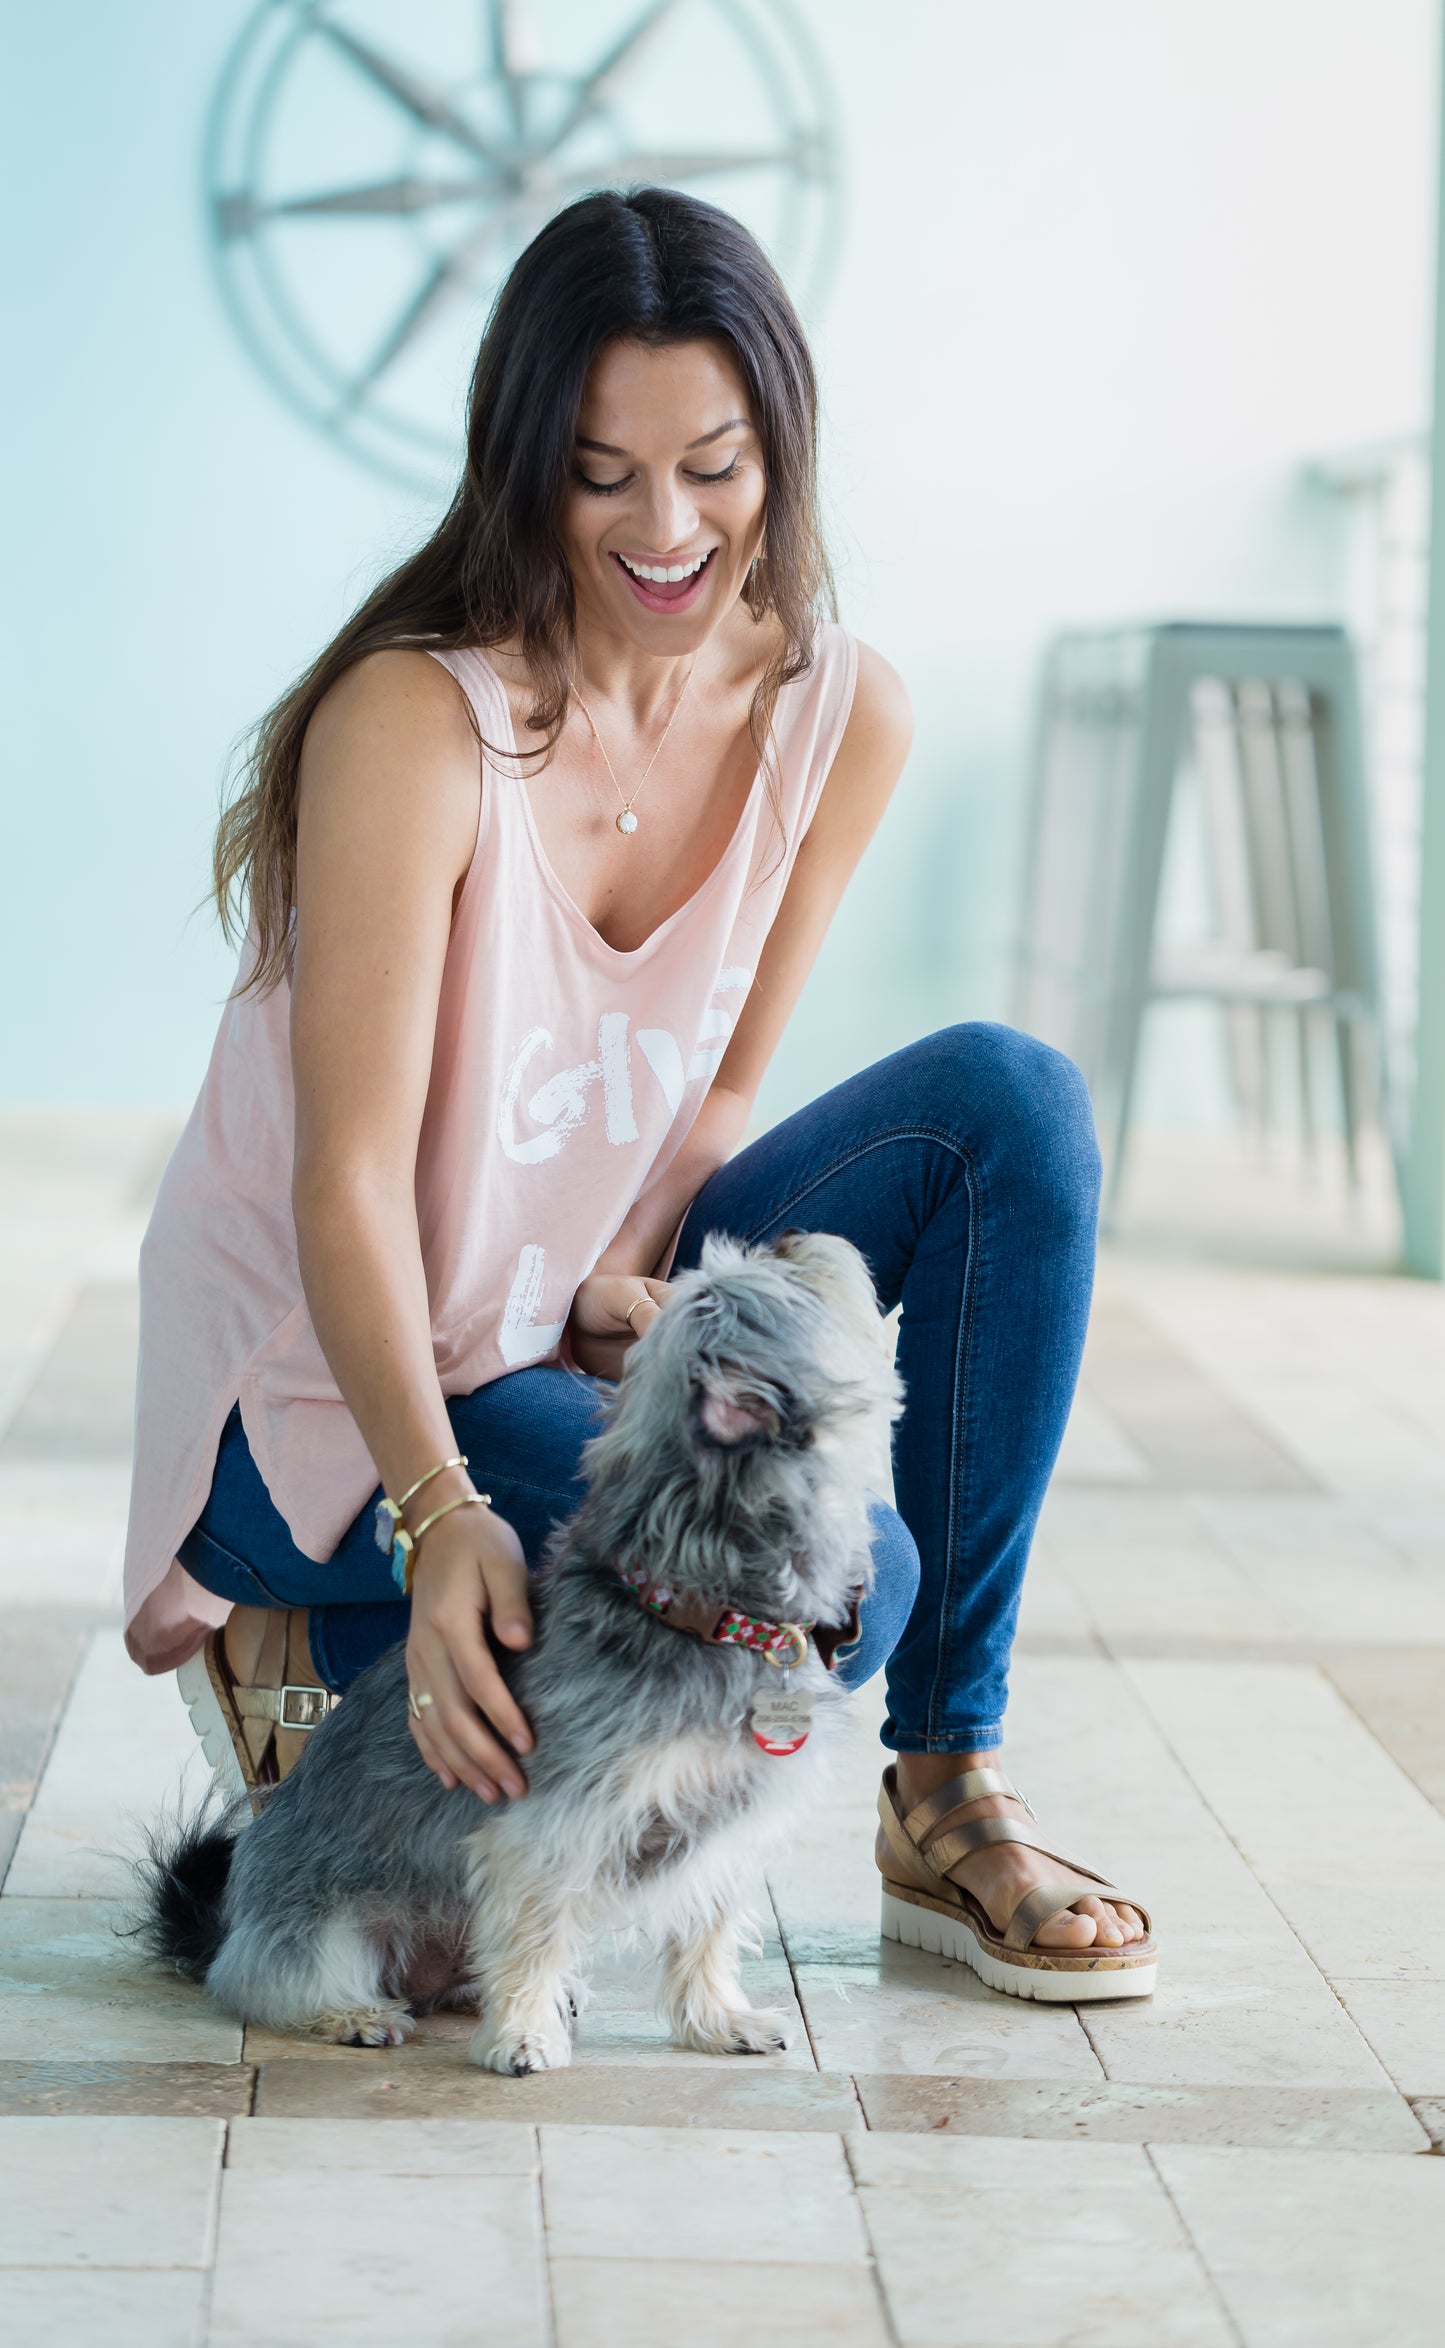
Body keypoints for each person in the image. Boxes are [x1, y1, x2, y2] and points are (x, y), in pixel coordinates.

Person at [123, 187, 1152, 1999]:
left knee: (1012, 1105)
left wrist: (629, 1287)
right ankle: (328, 1640)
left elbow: (713, 1090)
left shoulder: (840, 712)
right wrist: (441, 1517)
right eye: (602, 474)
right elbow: (346, 1184)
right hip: (341, 1383)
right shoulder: (418, 721)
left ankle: (943, 1780)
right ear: (524, 469)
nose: (666, 530)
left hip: (550, 1319)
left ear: (782, 453)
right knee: (840, 1582)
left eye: (715, 466)